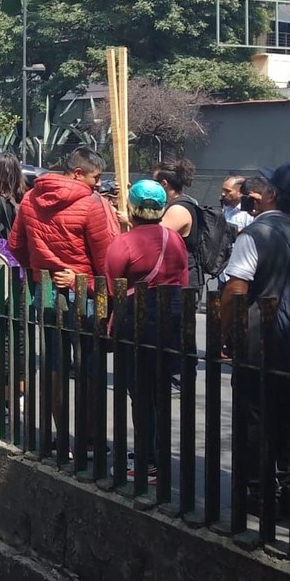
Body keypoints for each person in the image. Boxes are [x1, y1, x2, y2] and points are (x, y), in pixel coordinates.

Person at [220, 165, 290, 519]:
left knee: (254, 415)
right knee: (289, 413)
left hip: (259, 336)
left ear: (274, 194)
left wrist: (223, 332)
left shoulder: (256, 232)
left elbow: (236, 287)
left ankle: (257, 490)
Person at [8, 146, 119, 452]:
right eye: (96, 177)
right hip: (83, 293)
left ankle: (60, 436)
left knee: (55, 365)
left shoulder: (29, 198)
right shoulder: (92, 204)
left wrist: (39, 269)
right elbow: (106, 258)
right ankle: (89, 437)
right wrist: (97, 290)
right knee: (88, 366)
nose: (98, 183)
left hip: (45, 292)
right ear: (78, 173)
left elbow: (15, 245)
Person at [105, 180, 190, 481]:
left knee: (140, 396)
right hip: (170, 322)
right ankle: (160, 455)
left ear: (131, 207)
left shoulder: (124, 243)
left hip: (137, 324)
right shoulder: (174, 239)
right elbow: (182, 278)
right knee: (160, 393)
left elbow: (112, 287)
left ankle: (147, 461)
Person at [154, 159, 203, 293]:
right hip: (174, 278)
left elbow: (155, 238)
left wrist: (128, 220)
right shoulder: (172, 204)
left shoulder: (179, 209)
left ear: (164, 184)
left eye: (154, 182)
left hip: (182, 281)